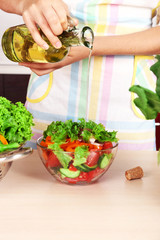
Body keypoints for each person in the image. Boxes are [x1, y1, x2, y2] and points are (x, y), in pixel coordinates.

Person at [1, 0, 160, 150]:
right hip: (52, 95)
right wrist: (26, 3)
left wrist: (91, 45)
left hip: (124, 106)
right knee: (38, 170)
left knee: (126, 172)